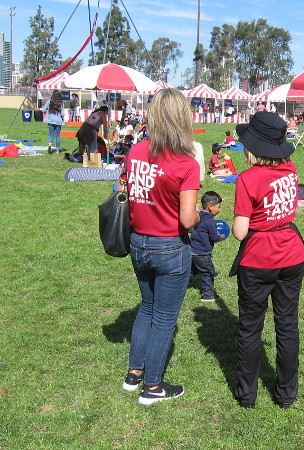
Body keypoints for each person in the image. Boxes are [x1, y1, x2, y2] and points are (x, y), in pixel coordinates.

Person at [123, 88, 201, 405]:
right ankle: (152, 387)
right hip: (170, 246)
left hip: (138, 241)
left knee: (147, 306)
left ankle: (135, 373)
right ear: (184, 118)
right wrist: (200, 215)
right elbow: (186, 220)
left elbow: (128, 191)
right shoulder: (187, 163)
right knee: (165, 318)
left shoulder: (135, 151)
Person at [231, 111, 304, 409]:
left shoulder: (248, 179)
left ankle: (246, 394)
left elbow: (240, 232)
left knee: (251, 328)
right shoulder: (290, 169)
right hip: (292, 255)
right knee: (287, 325)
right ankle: (286, 394)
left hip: (258, 259)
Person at [190, 191, 226, 302]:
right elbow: (214, 237)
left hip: (192, 250)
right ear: (211, 207)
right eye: (218, 207)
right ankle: (207, 294)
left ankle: (176, 284)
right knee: (209, 272)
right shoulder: (210, 221)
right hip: (203, 253)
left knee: (191, 271)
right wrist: (220, 236)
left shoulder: (197, 215)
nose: (219, 210)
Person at [41, 89, 65, 154]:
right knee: (58, 135)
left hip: (50, 120)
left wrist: (48, 113)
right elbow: (63, 114)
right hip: (58, 121)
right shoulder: (61, 103)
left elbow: (43, 110)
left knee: (51, 134)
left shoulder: (49, 101)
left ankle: (49, 145)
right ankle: (57, 150)